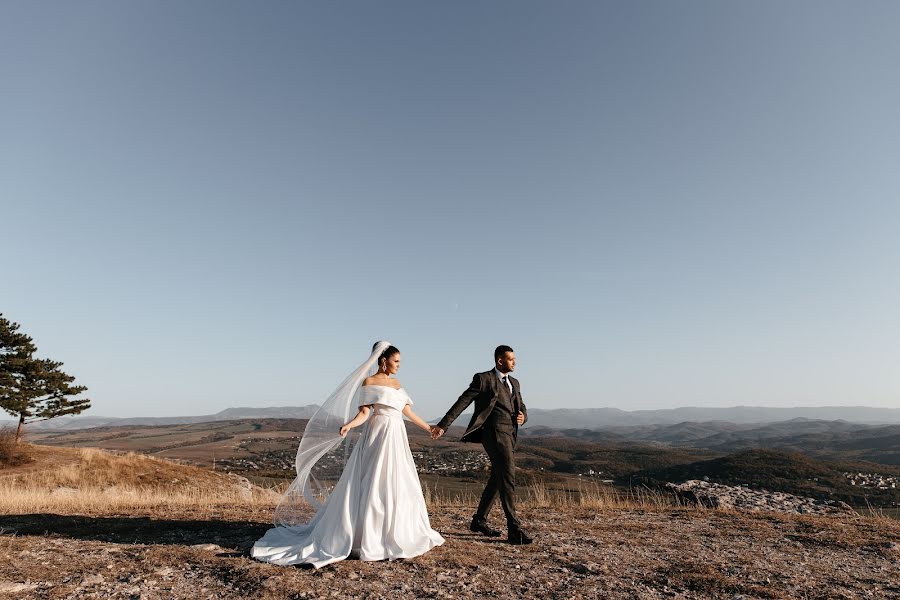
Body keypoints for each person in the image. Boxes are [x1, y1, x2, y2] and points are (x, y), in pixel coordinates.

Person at [252, 342, 444, 567]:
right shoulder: (369, 382)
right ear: (383, 361)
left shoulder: (397, 383)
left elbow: (407, 411)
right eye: (396, 361)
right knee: (372, 480)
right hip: (378, 433)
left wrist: (429, 428)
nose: (399, 366)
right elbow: (364, 412)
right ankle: (366, 535)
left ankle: (396, 532)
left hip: (396, 434)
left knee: (397, 479)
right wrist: (349, 425)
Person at [431, 345, 533, 545]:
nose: (515, 362)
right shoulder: (483, 379)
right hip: (493, 433)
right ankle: (514, 529)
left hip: (511, 434)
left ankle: (479, 520)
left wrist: (523, 417)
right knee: (508, 476)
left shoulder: (515, 382)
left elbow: (521, 406)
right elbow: (463, 401)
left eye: (515, 358)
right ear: (499, 361)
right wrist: (444, 425)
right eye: (511, 359)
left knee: (498, 477)